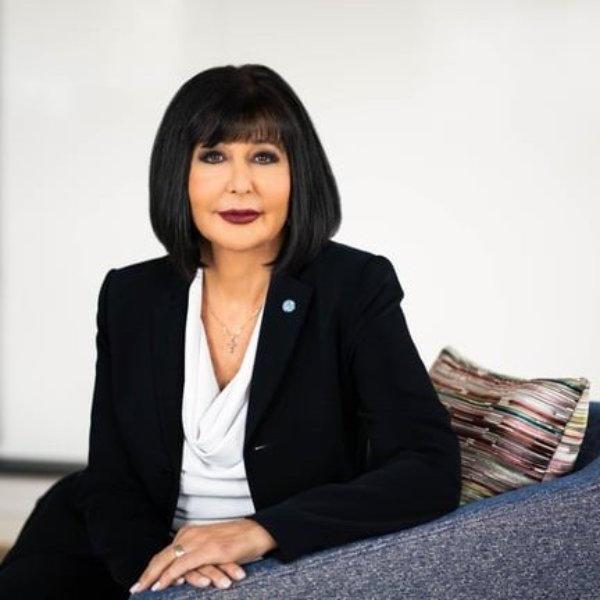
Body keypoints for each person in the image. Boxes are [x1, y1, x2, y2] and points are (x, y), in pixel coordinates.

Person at [0, 64, 462, 599]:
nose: (239, 184)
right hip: (122, 542)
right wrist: (159, 571)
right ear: (180, 173)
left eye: (264, 157)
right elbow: (111, 477)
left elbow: (429, 467)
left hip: (266, 556)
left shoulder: (355, 287)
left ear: (299, 174)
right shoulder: (130, 295)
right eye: (213, 156)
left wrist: (259, 532)